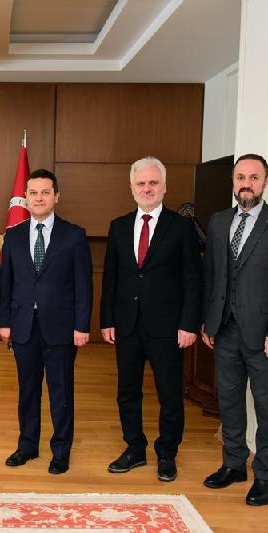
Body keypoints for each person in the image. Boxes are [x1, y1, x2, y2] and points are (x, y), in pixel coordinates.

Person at [201, 153, 268, 506]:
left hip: (265, 335)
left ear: (266, 182)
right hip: (224, 329)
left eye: (254, 177)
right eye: (241, 177)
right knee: (229, 401)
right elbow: (212, 275)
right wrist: (209, 320)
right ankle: (234, 464)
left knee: (266, 406)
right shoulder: (218, 222)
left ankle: (265, 476)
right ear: (234, 182)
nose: (246, 184)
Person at [100, 156, 201, 483]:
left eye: (153, 183)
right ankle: (135, 448)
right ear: (132, 188)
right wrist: (107, 319)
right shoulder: (118, 226)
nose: (147, 188)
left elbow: (193, 280)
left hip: (168, 328)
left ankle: (167, 453)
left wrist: (189, 324)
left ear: (164, 187)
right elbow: (111, 278)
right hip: (127, 325)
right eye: (141, 183)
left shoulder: (181, 227)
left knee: (169, 394)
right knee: (127, 391)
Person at [0, 169, 92, 475]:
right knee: (27, 390)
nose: (39, 198)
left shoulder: (74, 235)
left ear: (56, 196)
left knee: (60, 392)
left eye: (45, 192)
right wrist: (4, 321)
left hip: (62, 328)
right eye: (33, 193)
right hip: (23, 326)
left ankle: (61, 451)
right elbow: (6, 283)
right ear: (25, 197)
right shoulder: (13, 235)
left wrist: (82, 326)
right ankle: (27, 445)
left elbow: (84, 285)